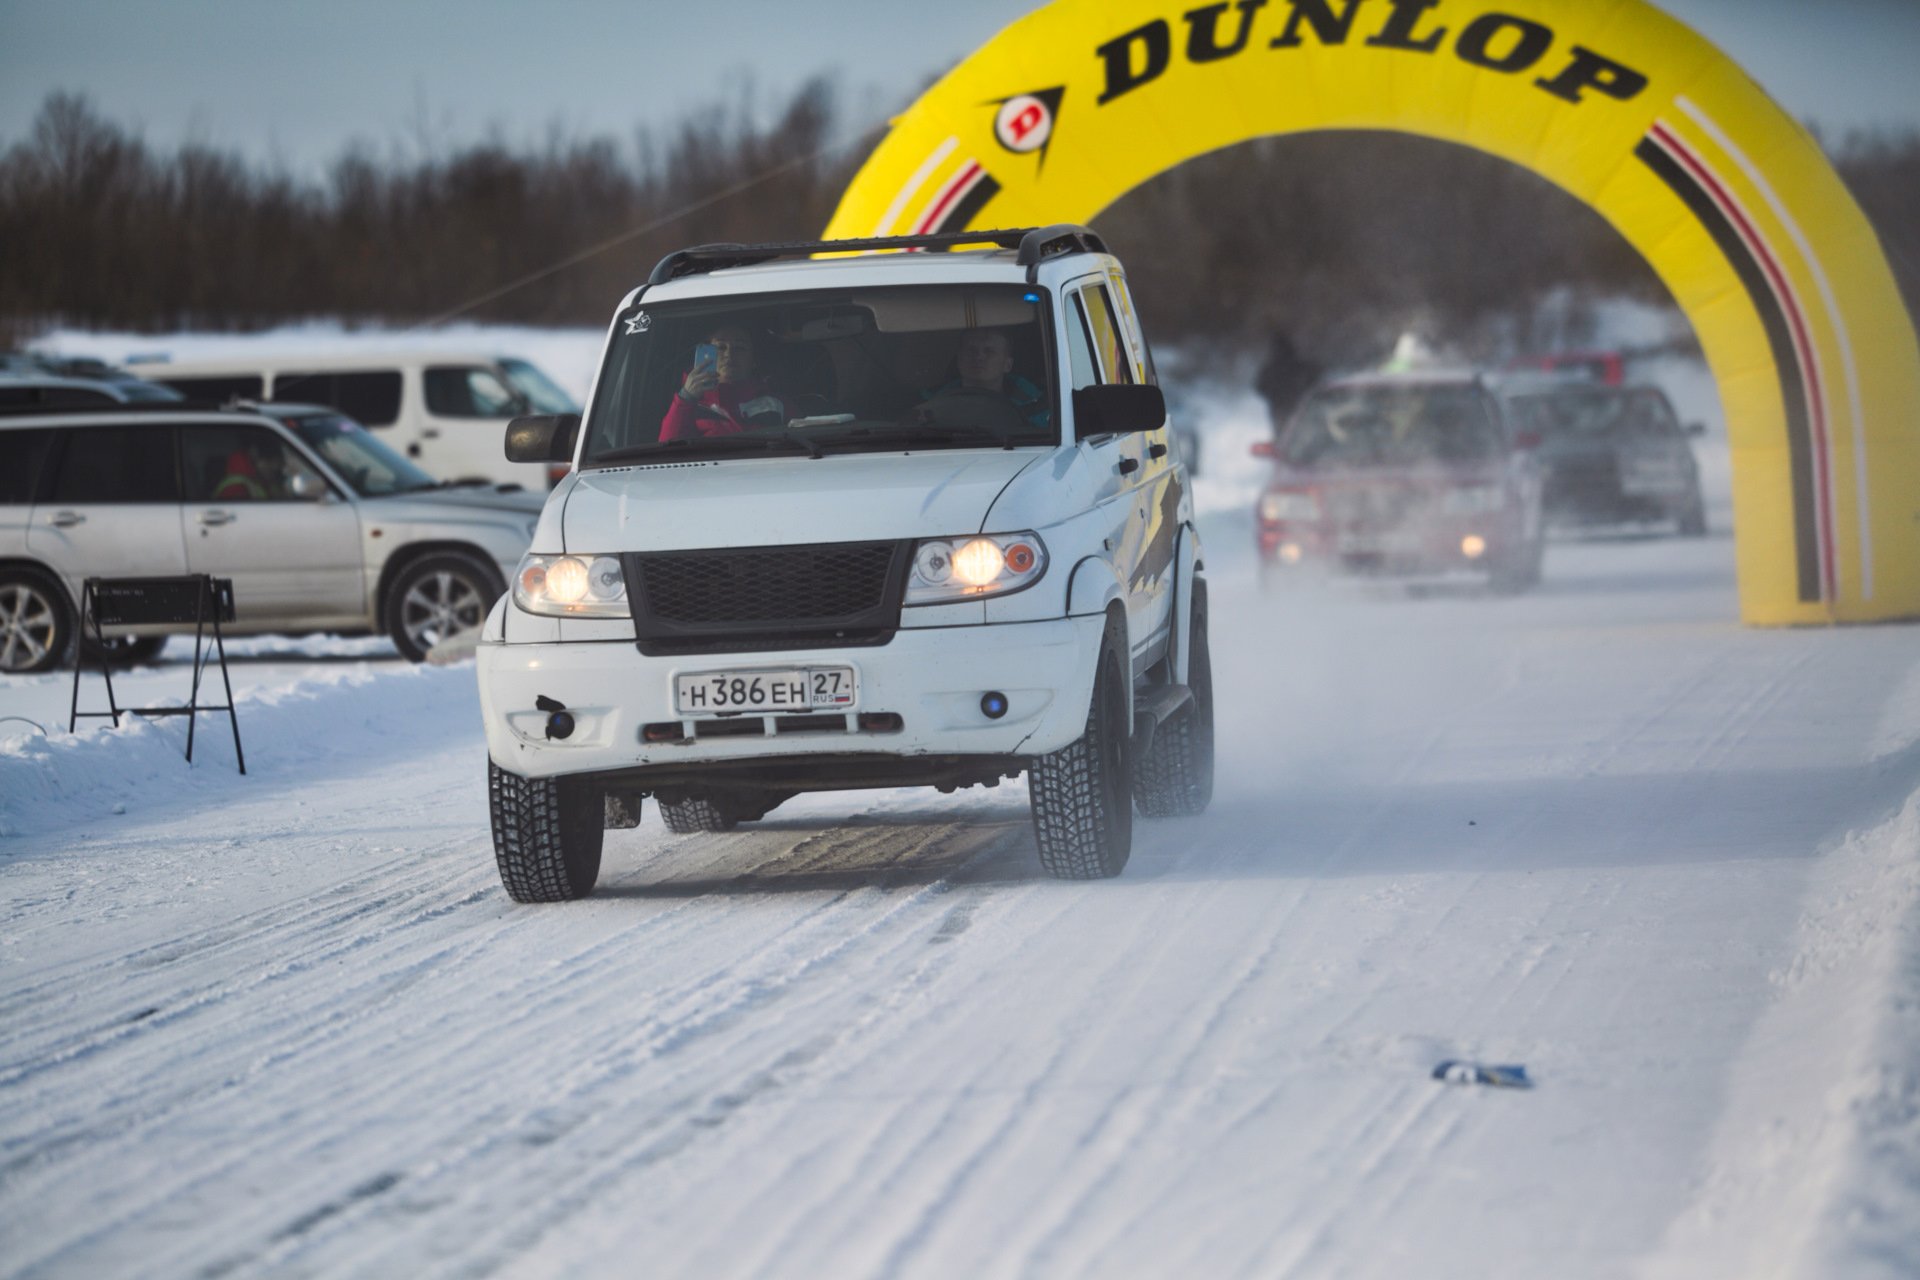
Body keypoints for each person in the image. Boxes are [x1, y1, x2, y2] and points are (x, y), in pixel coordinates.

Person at [659, 325, 787, 442]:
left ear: (754, 359)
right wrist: (686, 397)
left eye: (739, 348)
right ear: (706, 355)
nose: (729, 354)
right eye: (721, 347)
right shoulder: (689, 404)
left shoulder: (775, 404)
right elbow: (668, 450)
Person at [919, 328, 1050, 430]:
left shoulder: (1037, 408)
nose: (979, 357)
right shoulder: (928, 404)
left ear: (1007, 365)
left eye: (989, 351)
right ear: (959, 359)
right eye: (971, 350)